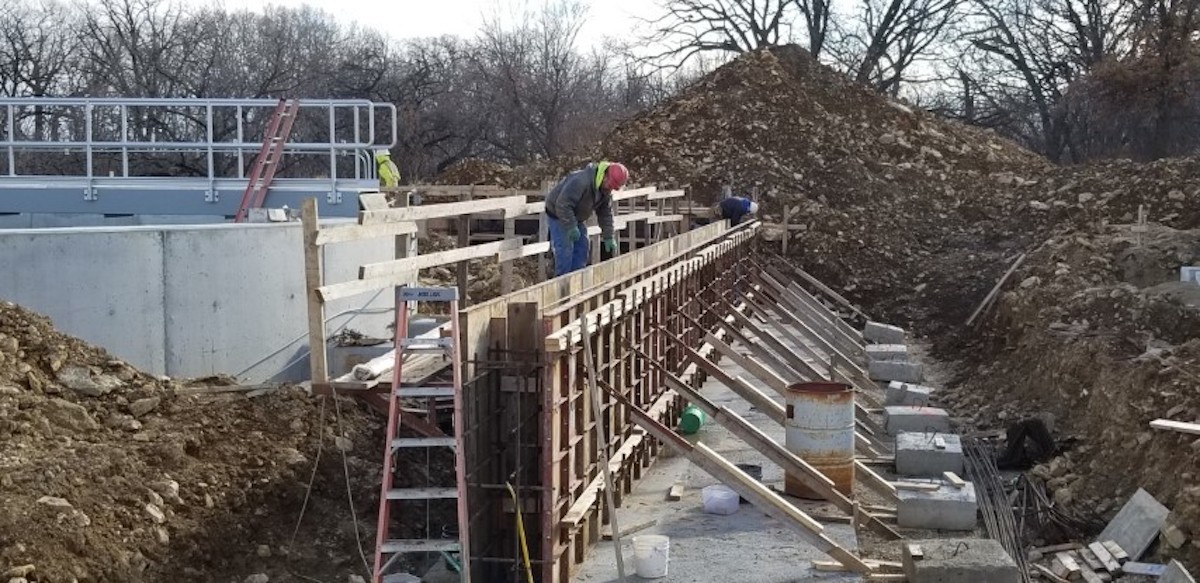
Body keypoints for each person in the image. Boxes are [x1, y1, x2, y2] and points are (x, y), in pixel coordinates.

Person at [545, 161, 629, 276]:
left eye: (614, 187)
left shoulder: (604, 190)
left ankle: (576, 281)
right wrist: (571, 226)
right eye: (610, 185)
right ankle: (561, 285)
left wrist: (609, 236)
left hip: (576, 216)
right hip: (558, 213)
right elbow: (563, 205)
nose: (611, 188)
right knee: (565, 250)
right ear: (605, 176)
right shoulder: (581, 181)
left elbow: (605, 213)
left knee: (583, 248)